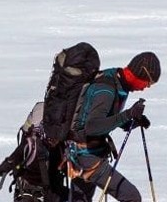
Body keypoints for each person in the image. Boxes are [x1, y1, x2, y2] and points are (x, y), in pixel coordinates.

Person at [66, 52, 160, 202]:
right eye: (147, 82)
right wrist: (127, 115)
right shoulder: (107, 89)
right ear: (140, 73)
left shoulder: (116, 80)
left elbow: (105, 118)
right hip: (86, 155)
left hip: (80, 152)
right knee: (132, 197)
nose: (145, 88)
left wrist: (131, 122)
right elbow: (92, 127)